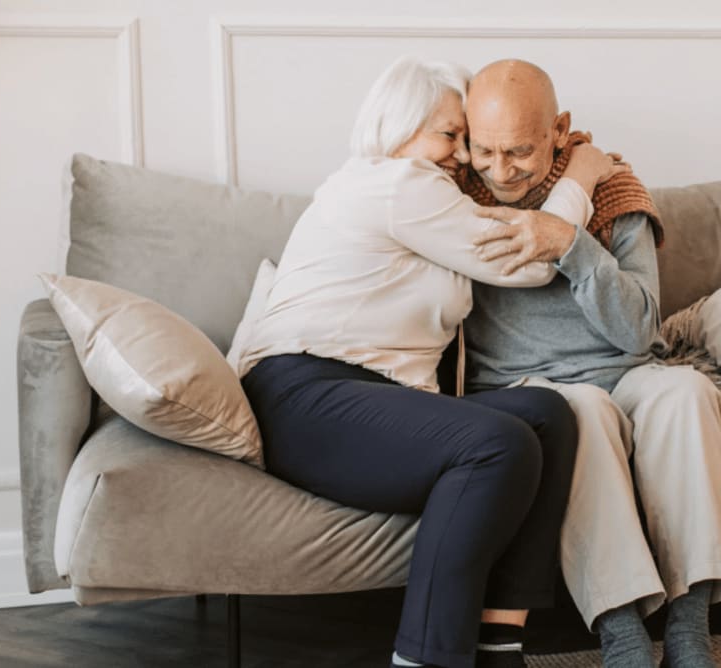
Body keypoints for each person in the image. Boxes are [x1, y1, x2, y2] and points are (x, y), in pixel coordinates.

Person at [238, 57, 624, 668]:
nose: (465, 156)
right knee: (498, 442)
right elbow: (525, 261)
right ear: (399, 127)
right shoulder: (399, 184)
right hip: (307, 395)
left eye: (463, 138)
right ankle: (425, 658)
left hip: (367, 400)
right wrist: (581, 168)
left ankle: (500, 648)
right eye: (450, 135)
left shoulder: (417, 197)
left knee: (548, 414)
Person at [459, 60, 721, 668]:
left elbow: (642, 326)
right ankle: (623, 635)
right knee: (577, 409)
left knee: (686, 392)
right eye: (484, 149)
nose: (499, 170)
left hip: (627, 368)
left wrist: (570, 245)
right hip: (521, 386)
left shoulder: (613, 189)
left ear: (559, 129)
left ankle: (690, 630)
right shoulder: (451, 195)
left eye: (519, 152)